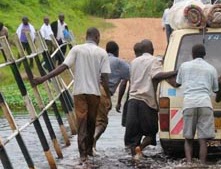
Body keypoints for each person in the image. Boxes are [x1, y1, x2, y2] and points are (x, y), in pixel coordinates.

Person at [32, 27, 111, 162]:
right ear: (97, 37)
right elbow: (105, 78)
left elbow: (63, 66)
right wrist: (108, 96)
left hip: (79, 92)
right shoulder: (102, 53)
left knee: (81, 123)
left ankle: (82, 157)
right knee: (91, 123)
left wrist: (43, 78)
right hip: (94, 93)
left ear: (87, 36)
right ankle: (89, 152)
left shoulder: (76, 49)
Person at [125, 39, 177, 159]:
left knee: (133, 137)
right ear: (152, 50)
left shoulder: (133, 62)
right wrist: (174, 72)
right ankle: (141, 148)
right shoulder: (155, 61)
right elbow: (157, 75)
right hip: (147, 103)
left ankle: (136, 157)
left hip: (132, 102)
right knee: (151, 133)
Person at [174, 43, 218, 164]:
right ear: (204, 54)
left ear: (192, 54)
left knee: (188, 138)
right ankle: (202, 164)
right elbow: (215, 89)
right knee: (203, 140)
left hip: (189, 103)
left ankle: (189, 163)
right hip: (205, 103)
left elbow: (178, 83)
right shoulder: (211, 68)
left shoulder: (184, 66)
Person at [93, 41, 130, 152]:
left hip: (90, 90)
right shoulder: (119, 62)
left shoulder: (99, 59)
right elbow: (126, 80)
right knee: (102, 123)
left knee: (91, 121)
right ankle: (93, 140)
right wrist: (119, 101)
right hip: (103, 92)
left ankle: (89, 149)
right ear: (117, 51)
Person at [117, 41, 143, 127]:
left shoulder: (131, 65)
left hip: (131, 99)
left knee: (130, 129)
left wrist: (119, 102)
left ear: (134, 52)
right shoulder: (150, 64)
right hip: (145, 99)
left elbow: (124, 83)